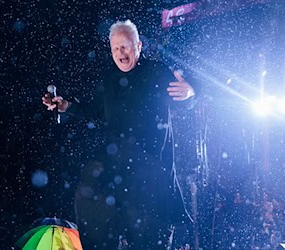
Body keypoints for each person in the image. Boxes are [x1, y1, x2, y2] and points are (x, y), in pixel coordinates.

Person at [42, 19, 198, 249]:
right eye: (115, 48)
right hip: (117, 170)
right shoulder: (109, 80)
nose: (120, 53)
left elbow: (183, 97)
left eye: (125, 46)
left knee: (149, 236)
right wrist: (66, 106)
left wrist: (191, 93)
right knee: (90, 198)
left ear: (138, 47)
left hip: (150, 173)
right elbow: (95, 111)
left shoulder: (156, 72)